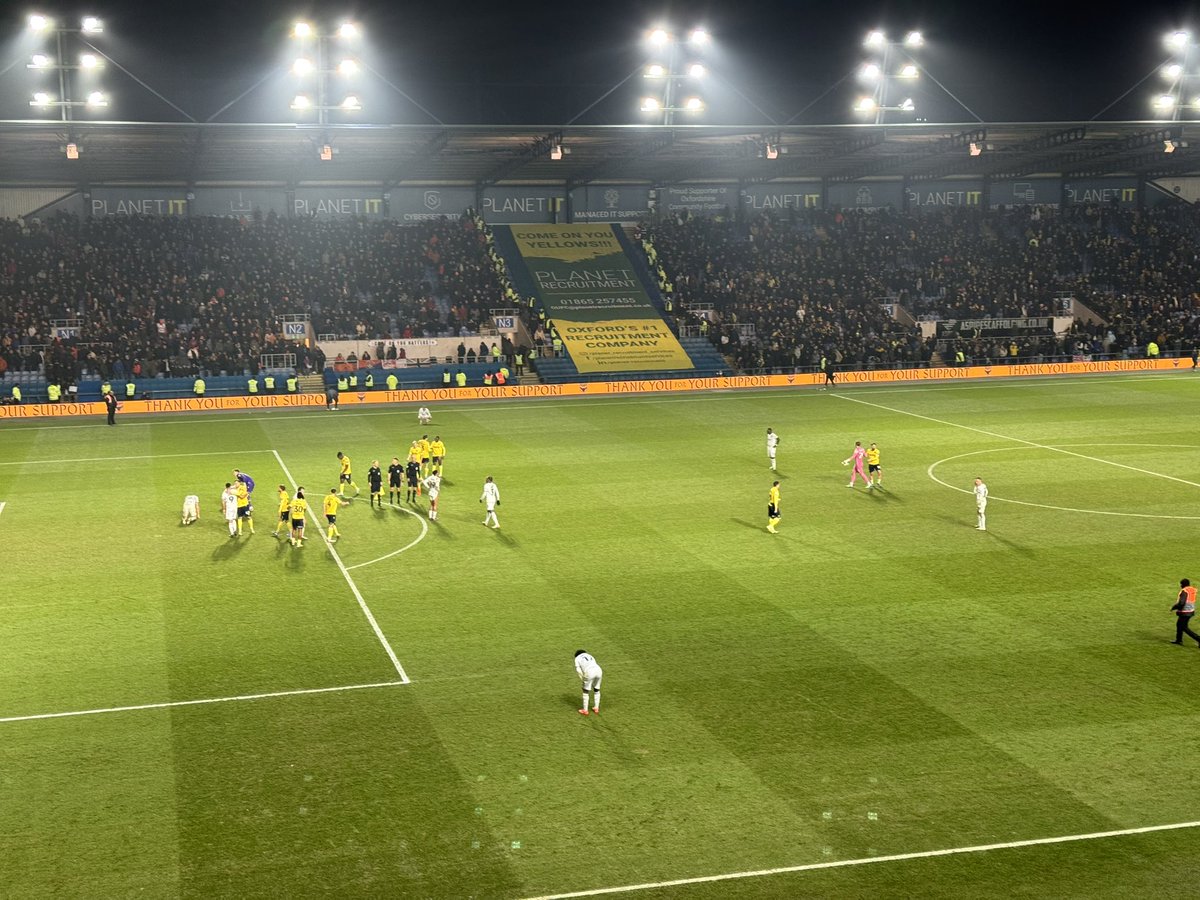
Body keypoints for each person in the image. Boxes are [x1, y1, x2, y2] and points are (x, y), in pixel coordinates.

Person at [1172, 579, 1200, 646]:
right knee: (1179, 625)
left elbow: (1181, 603)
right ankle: (1179, 640)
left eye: (1181, 584)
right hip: (1191, 610)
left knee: (1183, 627)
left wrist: (1174, 607)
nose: (1180, 586)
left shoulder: (1184, 591)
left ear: (1183, 584)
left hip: (1185, 611)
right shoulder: (1192, 589)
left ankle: (1198, 639)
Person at [574, 650, 602, 716]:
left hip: (589, 672)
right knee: (596, 689)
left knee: (585, 691)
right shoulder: (590, 655)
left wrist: (582, 678)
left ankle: (585, 710)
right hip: (599, 670)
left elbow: (578, 670)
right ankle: (596, 708)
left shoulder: (577, 658)